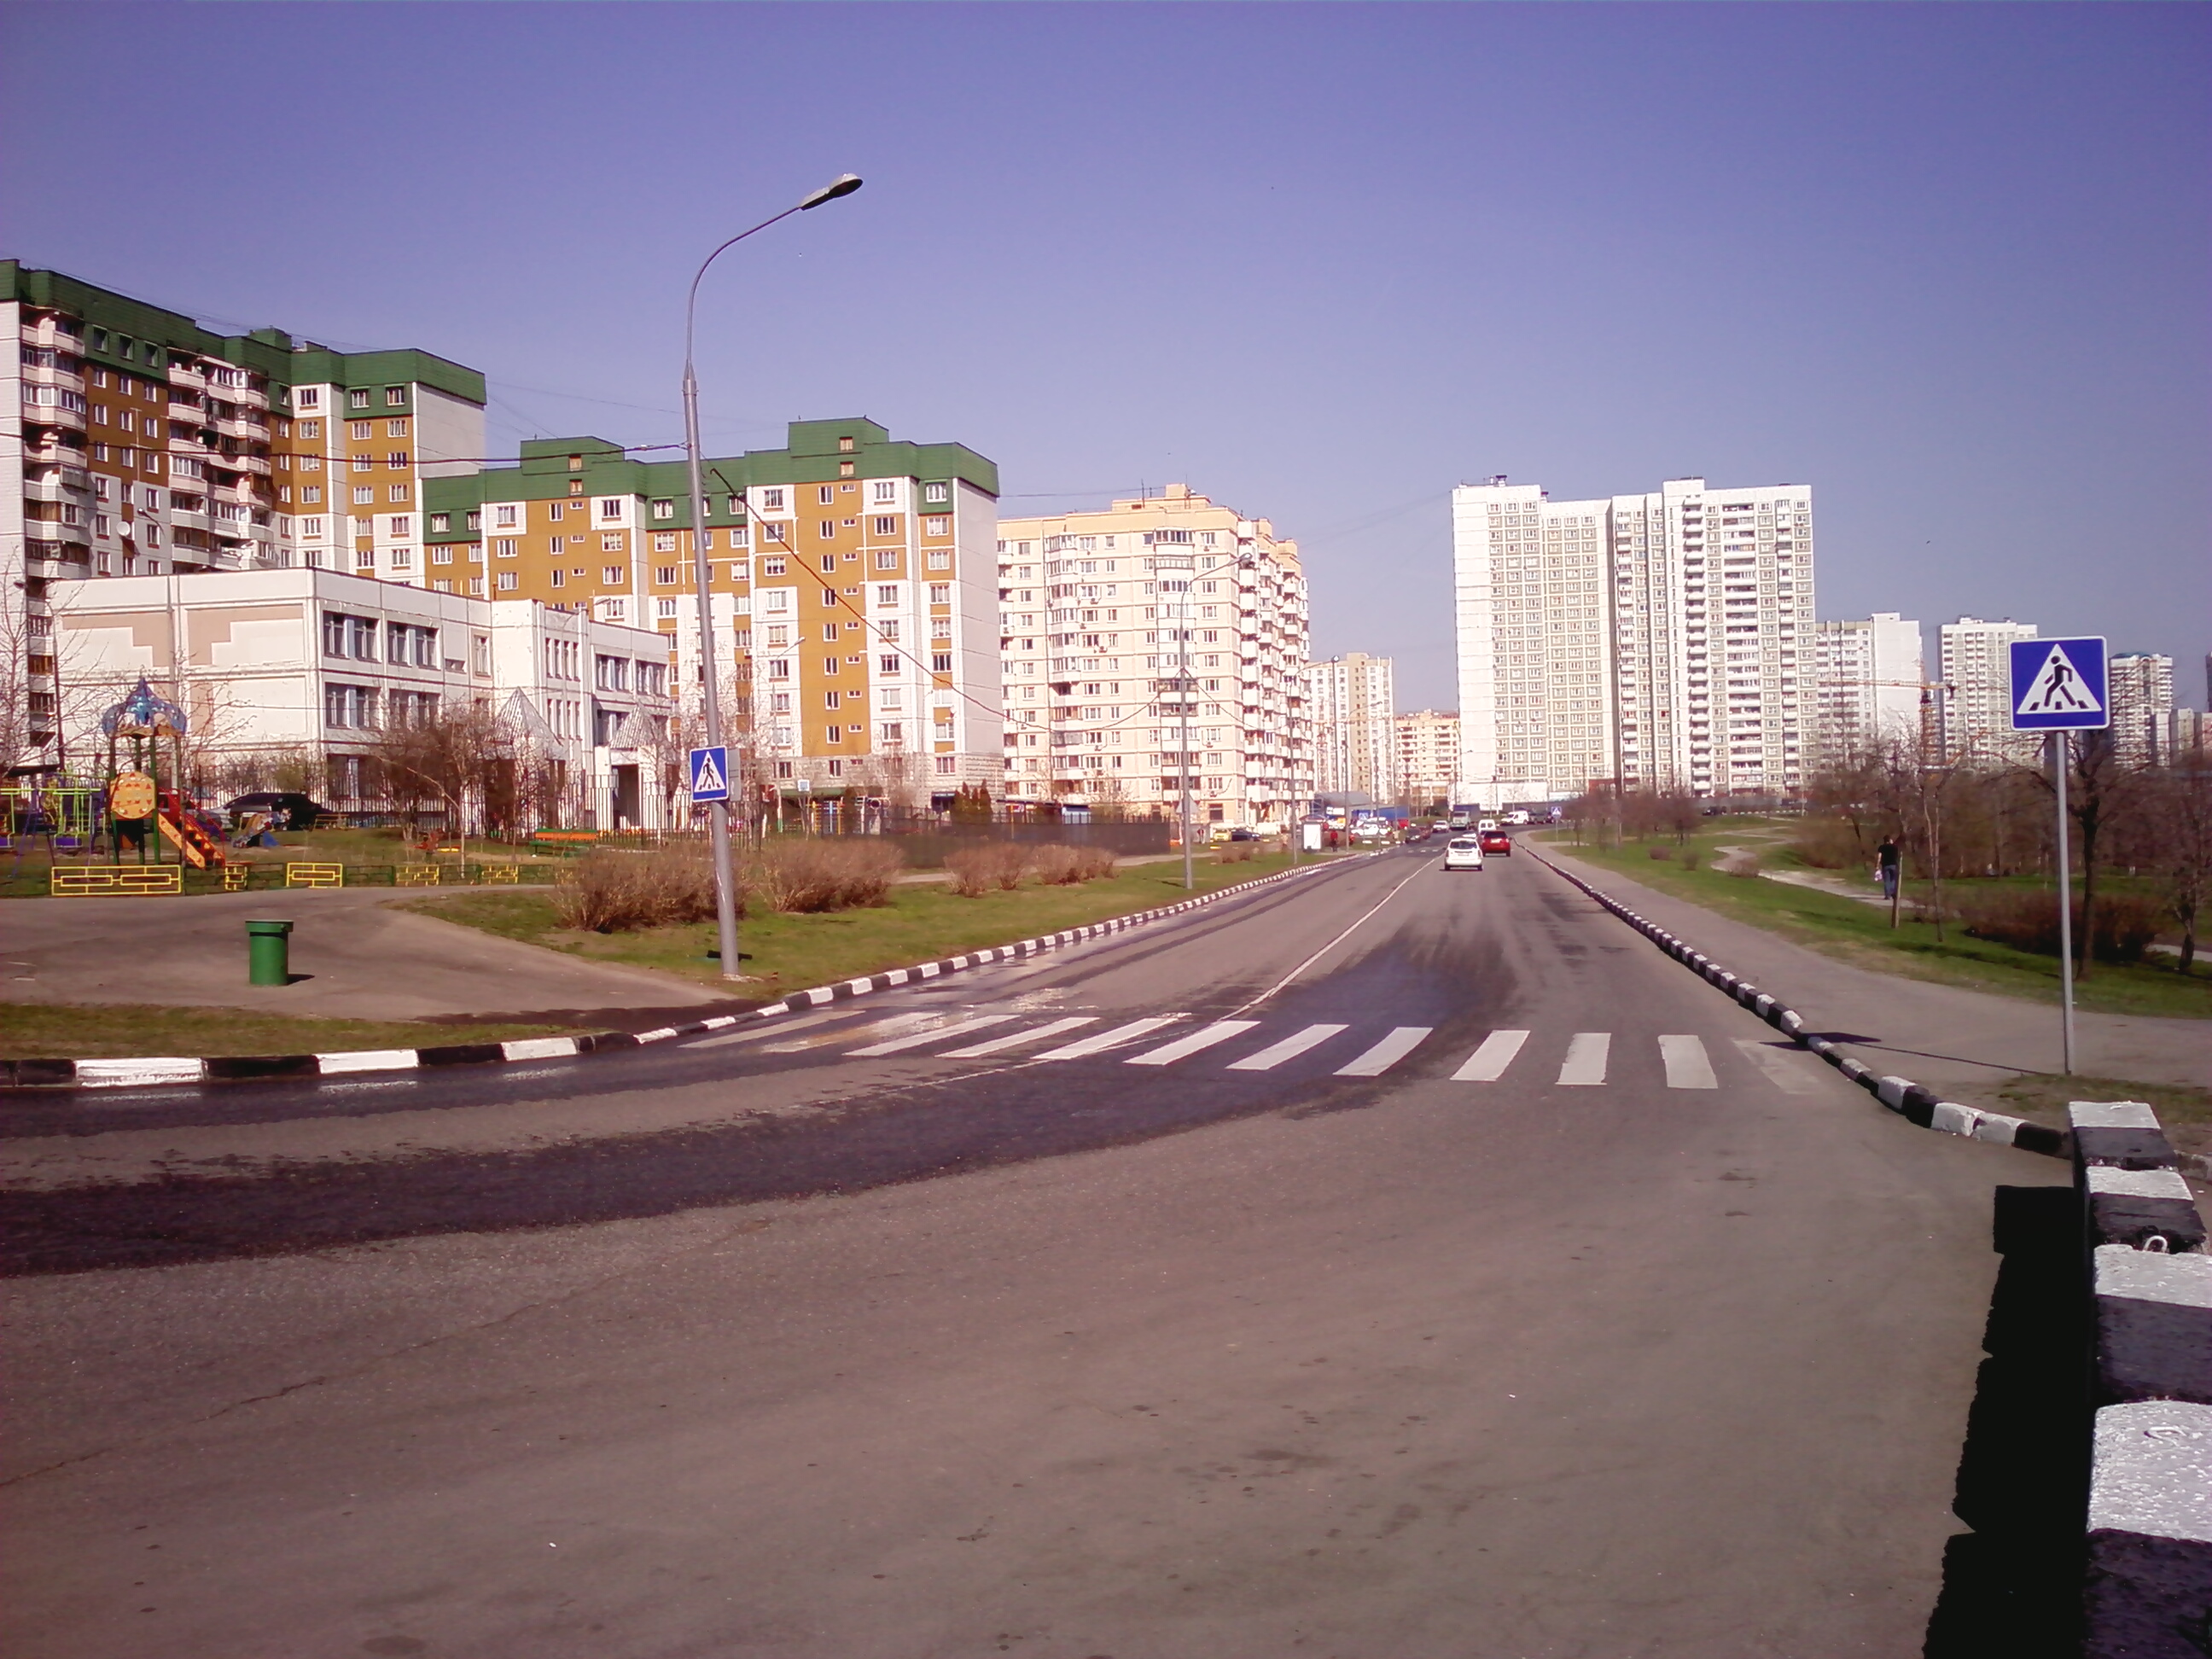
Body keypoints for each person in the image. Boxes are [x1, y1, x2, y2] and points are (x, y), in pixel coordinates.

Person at [1876, 836, 1901, 903]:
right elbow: (1898, 856)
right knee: (1893, 880)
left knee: (1887, 880)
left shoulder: (1882, 847)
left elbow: (1879, 856)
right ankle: (1893, 893)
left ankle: (1887, 895)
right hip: (1894, 865)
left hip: (1885, 865)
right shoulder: (1895, 847)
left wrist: (1877, 865)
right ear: (1890, 840)